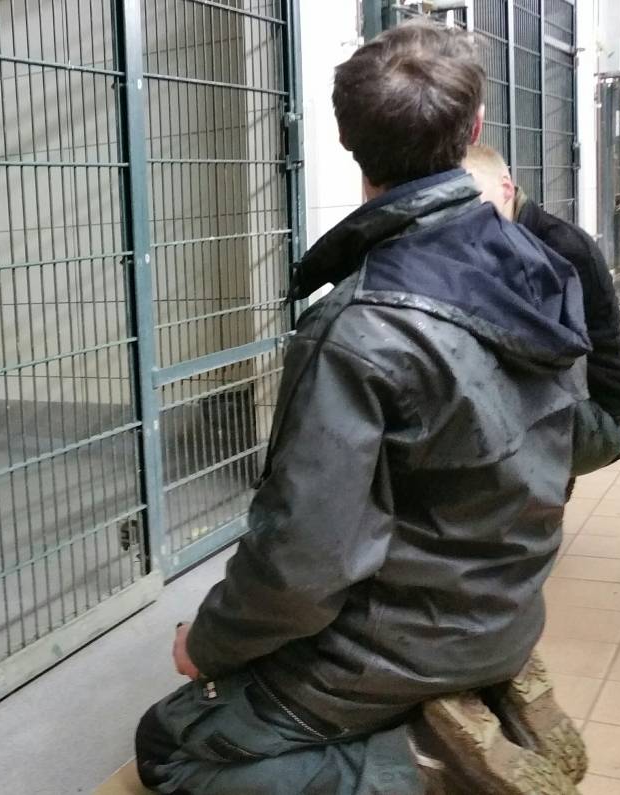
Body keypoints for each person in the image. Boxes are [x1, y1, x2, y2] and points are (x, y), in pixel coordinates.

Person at [135, 20, 591, 795]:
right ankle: (472, 695)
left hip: (392, 643)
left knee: (167, 746)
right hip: (508, 607)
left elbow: (303, 566)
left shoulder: (358, 326)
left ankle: (416, 766)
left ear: (347, 141)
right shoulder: (543, 271)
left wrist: (206, 642)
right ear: (474, 128)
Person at [464, 144, 620, 478]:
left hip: (599, 413)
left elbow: (543, 361)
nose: (464, 216)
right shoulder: (497, 239)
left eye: (472, 200)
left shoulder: (558, 248)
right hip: (562, 395)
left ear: (506, 188)